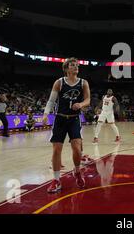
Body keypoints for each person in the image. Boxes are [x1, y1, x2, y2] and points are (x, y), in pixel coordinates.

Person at [43, 57, 91, 193]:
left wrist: (80, 104)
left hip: (74, 119)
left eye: (76, 65)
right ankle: (56, 180)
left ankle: (77, 171)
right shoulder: (59, 82)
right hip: (60, 119)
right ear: (66, 69)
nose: (76, 67)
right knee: (57, 149)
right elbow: (51, 101)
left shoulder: (83, 83)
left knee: (77, 149)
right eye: (72, 65)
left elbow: (88, 99)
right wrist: (46, 114)